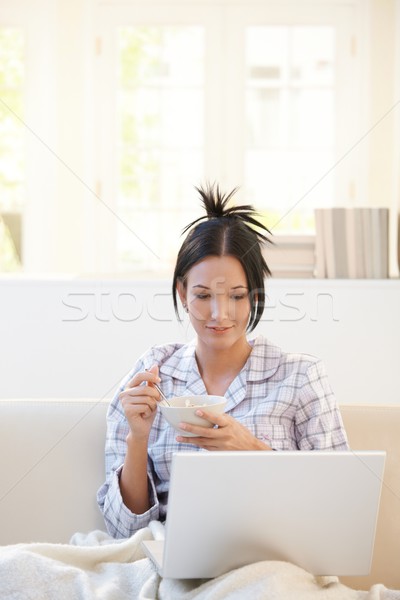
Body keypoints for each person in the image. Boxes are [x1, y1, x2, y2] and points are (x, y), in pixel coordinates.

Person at [97, 184, 349, 539]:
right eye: (203, 295)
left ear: (254, 296)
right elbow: (123, 530)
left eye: (236, 296)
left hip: (268, 560)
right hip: (168, 561)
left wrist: (253, 449)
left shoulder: (300, 376)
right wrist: (137, 438)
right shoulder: (153, 373)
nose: (220, 314)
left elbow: (339, 507)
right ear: (183, 293)